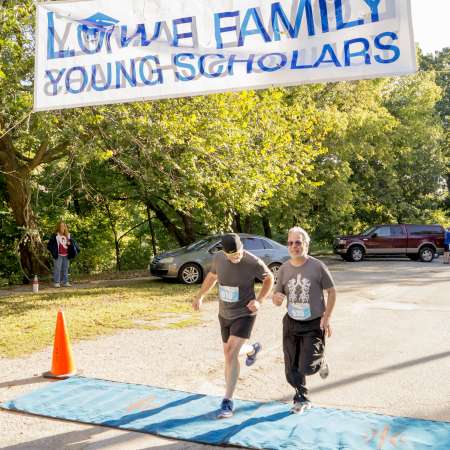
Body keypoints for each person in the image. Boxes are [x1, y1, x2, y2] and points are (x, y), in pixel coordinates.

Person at [192, 233, 274, 419]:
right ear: (224, 253)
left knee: (230, 353)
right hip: (225, 314)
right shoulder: (219, 258)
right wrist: (200, 296)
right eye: (232, 255)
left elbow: (269, 278)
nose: (236, 257)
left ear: (242, 248)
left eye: (238, 253)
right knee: (229, 354)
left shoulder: (252, 261)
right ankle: (252, 349)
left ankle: (227, 400)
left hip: (245, 312)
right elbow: (212, 277)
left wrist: (259, 300)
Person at [273, 227, 336, 414]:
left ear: (306, 244)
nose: (294, 246)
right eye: (290, 243)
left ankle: (320, 360)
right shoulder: (284, 268)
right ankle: (301, 398)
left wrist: (327, 317)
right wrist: (276, 297)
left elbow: (332, 292)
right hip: (291, 322)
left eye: (298, 242)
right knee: (292, 366)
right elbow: (278, 292)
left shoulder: (317, 267)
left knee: (307, 366)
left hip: (313, 323)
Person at [47, 221, 79, 287]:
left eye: (64, 226)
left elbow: (74, 244)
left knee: (65, 268)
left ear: (65, 227)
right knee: (57, 268)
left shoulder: (68, 235)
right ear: (58, 227)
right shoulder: (55, 235)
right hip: (58, 255)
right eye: (61, 226)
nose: (62, 227)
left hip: (66, 255)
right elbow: (49, 245)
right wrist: (53, 251)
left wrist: (70, 243)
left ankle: (65, 282)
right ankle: (57, 282)